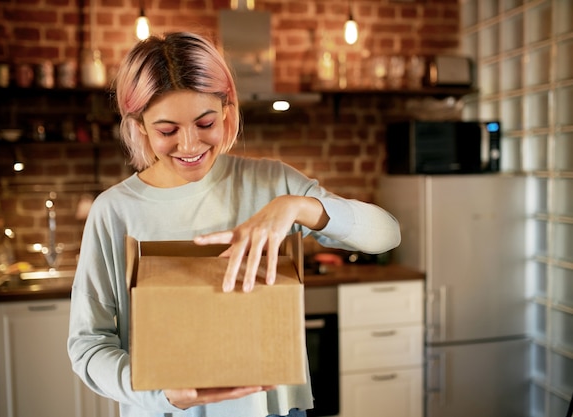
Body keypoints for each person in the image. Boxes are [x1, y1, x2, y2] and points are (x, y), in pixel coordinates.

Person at [67, 31, 401, 417]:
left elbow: (387, 234)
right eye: (167, 130)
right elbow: (88, 345)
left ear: (226, 109)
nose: (190, 145)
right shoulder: (114, 211)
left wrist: (298, 207)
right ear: (139, 125)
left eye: (205, 122)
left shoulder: (272, 183)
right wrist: (159, 392)